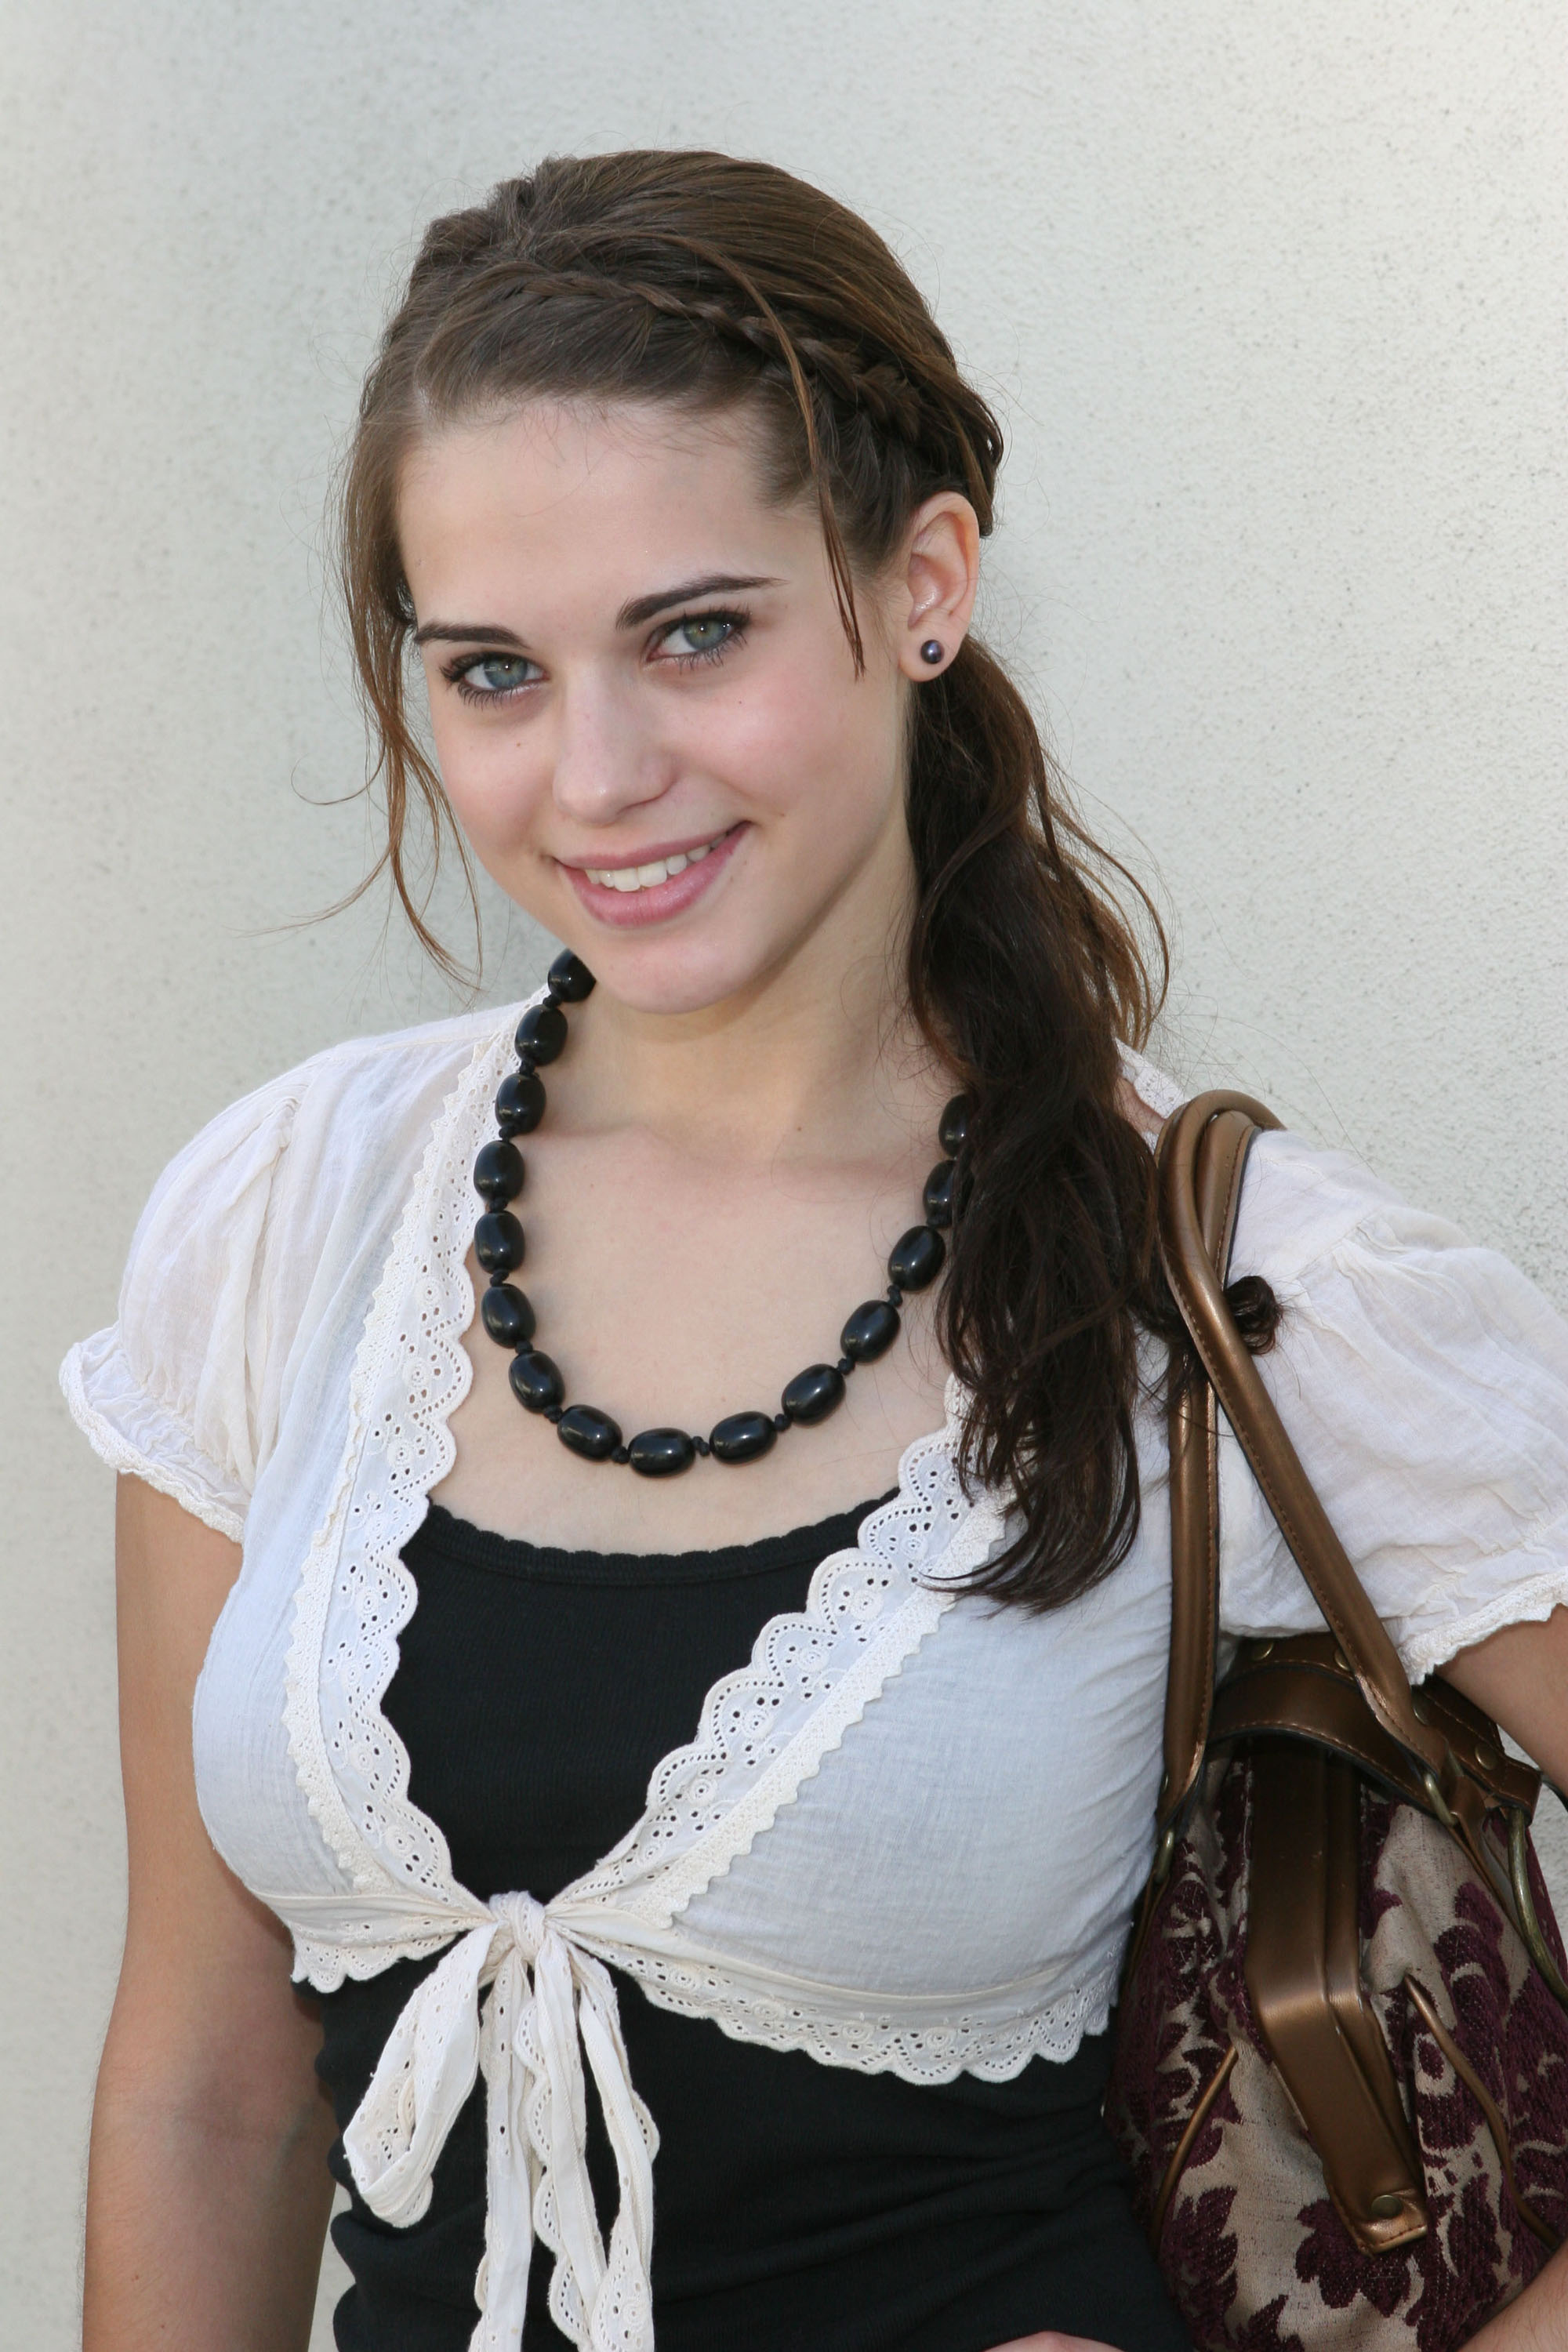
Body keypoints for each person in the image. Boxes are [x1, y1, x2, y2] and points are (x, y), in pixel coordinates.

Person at [63, 150, 1568, 2352]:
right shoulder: (295, 1208)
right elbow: (207, 2094)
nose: (597, 775)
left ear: (923, 582)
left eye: (695, 635)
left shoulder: (1251, 1294)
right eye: (494, 671)